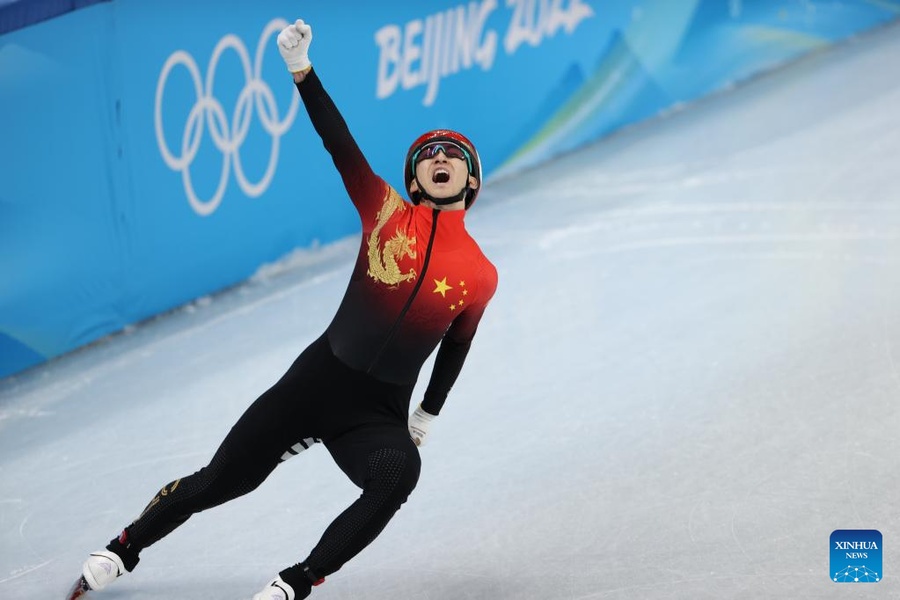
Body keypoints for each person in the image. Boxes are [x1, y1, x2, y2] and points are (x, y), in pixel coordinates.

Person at [67, 17, 498, 600]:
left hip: (376, 412)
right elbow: (338, 141)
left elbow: (457, 346)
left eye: (453, 155)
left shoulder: (480, 273)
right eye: (429, 154)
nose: (439, 158)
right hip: (315, 382)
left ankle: (298, 580)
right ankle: (124, 547)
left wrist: (427, 414)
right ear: (414, 178)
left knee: (399, 476)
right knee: (222, 481)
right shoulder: (383, 210)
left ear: (470, 181)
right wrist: (302, 70)